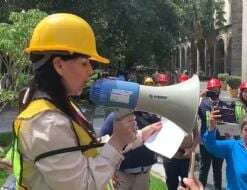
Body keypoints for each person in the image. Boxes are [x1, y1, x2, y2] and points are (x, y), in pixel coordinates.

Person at [11, 13, 161, 190]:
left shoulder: (59, 106)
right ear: (59, 65)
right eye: (84, 63)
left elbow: (86, 150)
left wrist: (138, 136)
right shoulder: (47, 123)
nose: (90, 70)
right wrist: (118, 142)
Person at [99, 77, 160, 190]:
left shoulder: (151, 116)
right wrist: (110, 170)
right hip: (123, 175)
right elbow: (102, 142)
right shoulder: (115, 117)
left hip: (144, 174)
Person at [162, 75, 199, 190]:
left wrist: (191, 149)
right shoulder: (167, 109)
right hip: (170, 157)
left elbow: (197, 135)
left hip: (186, 158)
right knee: (171, 185)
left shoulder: (192, 113)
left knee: (186, 186)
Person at [198, 78, 227, 190]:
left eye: (217, 89)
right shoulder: (202, 104)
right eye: (212, 89)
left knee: (218, 170)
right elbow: (191, 108)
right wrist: (201, 95)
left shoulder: (223, 104)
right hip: (205, 142)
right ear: (208, 90)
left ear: (220, 89)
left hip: (219, 141)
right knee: (204, 169)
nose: (215, 91)